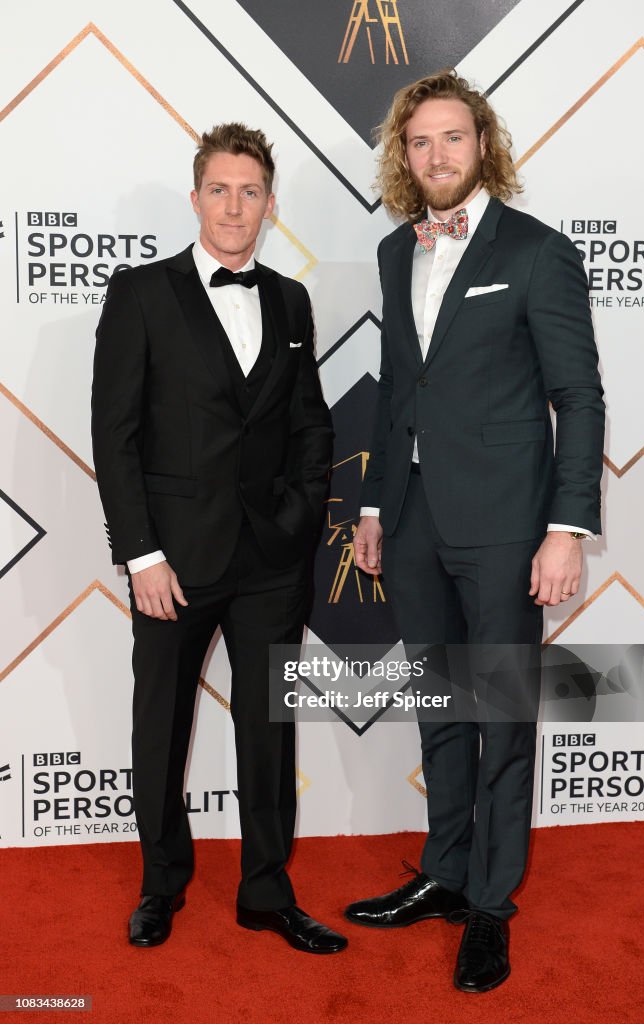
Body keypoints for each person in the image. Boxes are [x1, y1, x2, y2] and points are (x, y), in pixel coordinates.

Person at [346, 70, 604, 992]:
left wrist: (566, 527)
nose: (436, 155)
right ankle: (445, 873)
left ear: (482, 144)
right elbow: (394, 392)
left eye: (452, 137)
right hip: (411, 523)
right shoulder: (391, 251)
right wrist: (375, 507)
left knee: (499, 715)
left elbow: (576, 396)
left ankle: (492, 906)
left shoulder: (537, 252)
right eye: (419, 142)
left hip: (504, 528)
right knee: (440, 710)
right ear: (402, 155)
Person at [91, 123, 346, 955]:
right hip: (172, 560)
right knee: (160, 726)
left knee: (268, 731)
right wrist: (141, 555)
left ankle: (266, 892)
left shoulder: (290, 299)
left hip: (271, 560)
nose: (234, 206)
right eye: (219, 189)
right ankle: (160, 882)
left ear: (269, 205)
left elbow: (310, 423)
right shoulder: (141, 293)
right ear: (195, 197)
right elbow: (114, 433)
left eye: (250, 192)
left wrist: (304, 515)